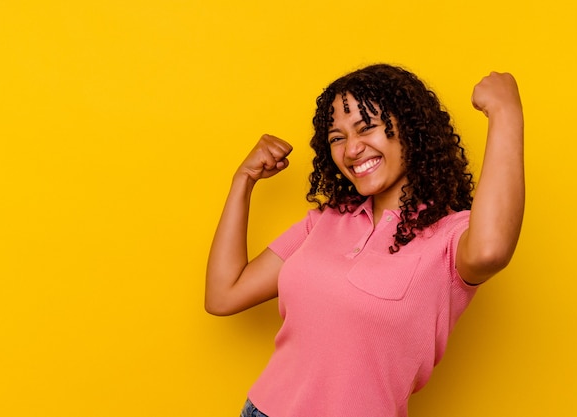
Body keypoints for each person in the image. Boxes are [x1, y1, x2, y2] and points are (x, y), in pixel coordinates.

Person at [205, 64, 524, 417]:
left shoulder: (451, 237)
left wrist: (505, 112)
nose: (352, 149)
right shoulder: (326, 221)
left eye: (367, 128)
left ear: (411, 129)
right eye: (337, 137)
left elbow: (492, 249)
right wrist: (243, 181)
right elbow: (224, 294)